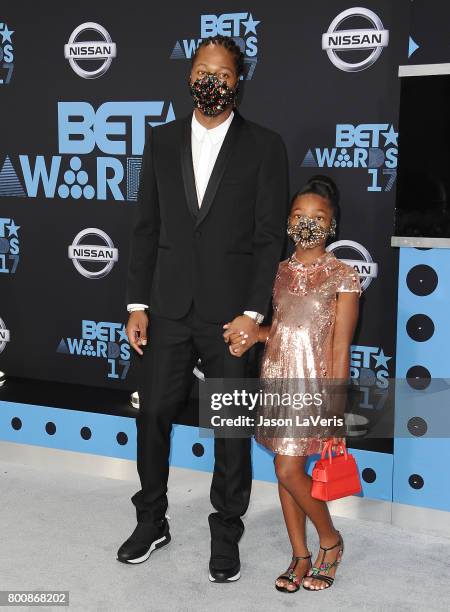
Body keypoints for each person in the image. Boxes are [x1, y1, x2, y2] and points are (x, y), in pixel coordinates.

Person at [119, 34, 290, 584]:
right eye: (201, 69)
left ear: (239, 81)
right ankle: (151, 522)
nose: (209, 80)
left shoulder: (265, 146)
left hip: (230, 317)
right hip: (166, 308)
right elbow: (147, 226)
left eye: (221, 72)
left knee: (230, 428)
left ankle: (226, 534)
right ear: (189, 75)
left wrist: (253, 312)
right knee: (152, 418)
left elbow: (269, 240)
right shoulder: (162, 140)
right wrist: (138, 303)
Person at [227, 175, 361, 591]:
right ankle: (300, 555)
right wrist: (253, 334)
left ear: (332, 225)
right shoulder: (278, 272)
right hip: (276, 381)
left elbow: (340, 348)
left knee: (288, 468)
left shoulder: (343, 275)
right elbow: (280, 329)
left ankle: (331, 541)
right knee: (287, 469)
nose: (308, 224)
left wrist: (335, 412)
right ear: (287, 222)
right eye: (299, 216)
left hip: (315, 389)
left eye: (318, 217)